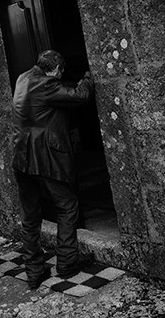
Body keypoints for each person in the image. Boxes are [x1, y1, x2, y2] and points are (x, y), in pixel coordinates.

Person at [11, 49, 95, 289]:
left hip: (21, 158)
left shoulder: (23, 78)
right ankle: (67, 262)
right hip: (44, 158)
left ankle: (34, 271)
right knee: (67, 206)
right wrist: (87, 77)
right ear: (56, 69)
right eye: (60, 73)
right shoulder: (47, 85)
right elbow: (80, 96)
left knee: (30, 216)